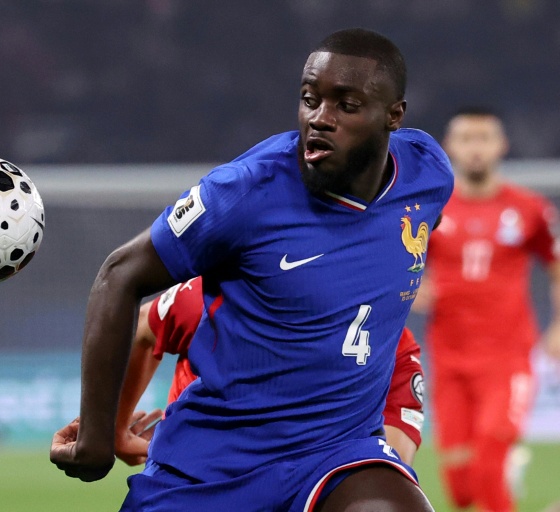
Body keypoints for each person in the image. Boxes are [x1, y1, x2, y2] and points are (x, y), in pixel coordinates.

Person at [51, 28, 454, 511]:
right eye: (310, 99)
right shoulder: (245, 192)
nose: (319, 119)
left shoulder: (428, 173)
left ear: (394, 116)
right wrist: (97, 439)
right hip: (213, 468)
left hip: (335, 455)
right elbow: (119, 274)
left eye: (346, 105)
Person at [413, 107, 560, 512]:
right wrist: (412, 289)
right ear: (450, 147)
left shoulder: (528, 209)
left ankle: (501, 467)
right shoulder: (432, 211)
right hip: (450, 356)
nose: (475, 149)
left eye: (484, 139)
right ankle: (503, 469)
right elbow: (400, 266)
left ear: (501, 146)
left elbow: (555, 264)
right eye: (466, 139)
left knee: (488, 467)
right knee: (460, 492)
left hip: (508, 357)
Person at [114, 277, 426, 467]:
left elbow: (390, 466)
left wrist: (112, 431)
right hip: (189, 484)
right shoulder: (218, 295)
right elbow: (143, 326)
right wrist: (115, 432)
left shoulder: (394, 348)